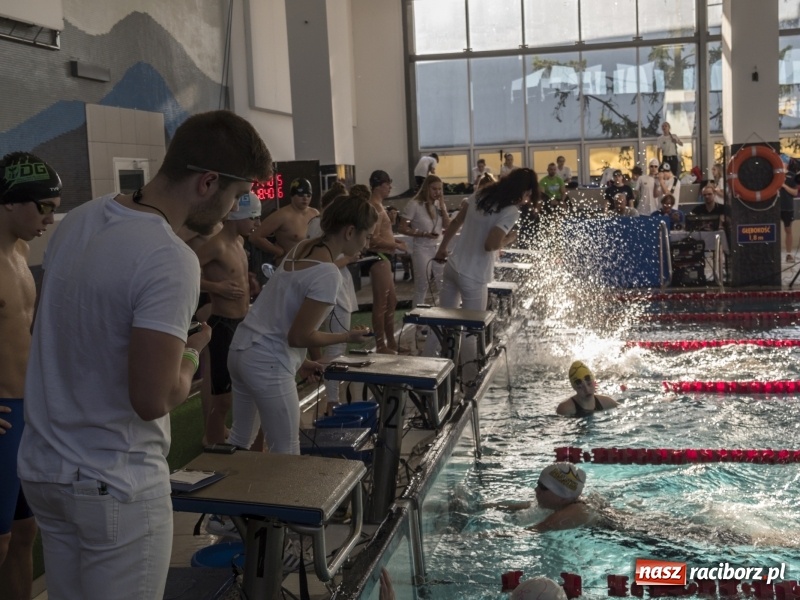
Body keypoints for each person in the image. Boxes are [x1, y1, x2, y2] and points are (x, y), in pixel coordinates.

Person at [17, 110, 271, 600]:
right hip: (114, 480)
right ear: (209, 182)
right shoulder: (168, 257)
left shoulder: (81, 220)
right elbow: (152, 399)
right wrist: (194, 352)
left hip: (45, 469)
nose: (232, 210)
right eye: (237, 196)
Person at [227, 194, 378, 454]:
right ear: (350, 231)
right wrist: (347, 337)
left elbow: (280, 312)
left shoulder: (302, 247)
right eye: (367, 236)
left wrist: (302, 361)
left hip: (241, 349)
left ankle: (225, 494)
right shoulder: (328, 273)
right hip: (267, 362)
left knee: (239, 441)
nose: (367, 243)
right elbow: (299, 337)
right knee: (287, 451)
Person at [0, 152, 61, 600]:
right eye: (44, 207)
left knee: (24, 535)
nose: (51, 219)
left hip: (30, 413)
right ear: (9, 203)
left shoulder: (20, 253)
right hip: (3, 417)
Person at [433, 169, 537, 378]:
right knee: (472, 331)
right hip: (473, 276)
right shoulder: (510, 210)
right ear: (524, 191)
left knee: (440, 323)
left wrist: (442, 248)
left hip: (453, 266)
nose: (526, 201)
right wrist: (509, 239)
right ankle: (470, 381)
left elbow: (455, 223)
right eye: (528, 196)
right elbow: (490, 244)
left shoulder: (481, 194)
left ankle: (431, 370)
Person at [196, 192, 262, 446]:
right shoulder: (217, 244)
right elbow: (185, 273)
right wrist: (217, 288)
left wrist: (249, 281)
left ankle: (224, 435)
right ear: (237, 217)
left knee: (241, 388)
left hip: (242, 322)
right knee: (222, 396)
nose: (257, 223)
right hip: (223, 324)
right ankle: (211, 441)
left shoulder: (238, 242)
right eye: (253, 218)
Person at [306, 187, 362, 413]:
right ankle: (332, 400)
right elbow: (322, 264)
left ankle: (332, 398)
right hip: (332, 291)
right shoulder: (323, 226)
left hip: (330, 288)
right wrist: (348, 258)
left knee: (332, 347)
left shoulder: (314, 224)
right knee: (336, 349)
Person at [364, 170, 408, 354]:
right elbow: (371, 240)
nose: (390, 187)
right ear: (378, 186)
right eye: (387, 184)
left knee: (391, 302)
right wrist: (395, 245)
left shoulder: (380, 206)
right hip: (378, 258)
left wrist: (394, 243)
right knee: (381, 303)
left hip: (384, 257)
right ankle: (380, 345)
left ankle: (391, 343)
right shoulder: (373, 208)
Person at [399, 175, 451, 307]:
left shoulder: (438, 205)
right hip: (421, 248)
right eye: (434, 189)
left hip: (437, 248)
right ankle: (417, 323)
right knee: (422, 286)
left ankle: (445, 318)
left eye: (440, 189)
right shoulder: (415, 204)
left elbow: (447, 226)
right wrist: (422, 233)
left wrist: (443, 207)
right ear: (426, 188)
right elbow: (402, 227)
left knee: (443, 284)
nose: (437, 192)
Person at [248, 177, 319, 264]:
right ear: (292, 195)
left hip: (310, 266)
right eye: (300, 195)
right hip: (289, 267)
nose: (305, 199)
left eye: (308, 195)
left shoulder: (315, 214)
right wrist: (278, 251)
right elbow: (255, 237)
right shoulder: (282, 215)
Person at [780, 162, 798, 263]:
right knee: (772, 230)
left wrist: (784, 186)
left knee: (788, 230)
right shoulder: (773, 174)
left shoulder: (792, 175)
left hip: (787, 207)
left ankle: (789, 254)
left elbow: (795, 192)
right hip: (774, 207)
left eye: (783, 162)